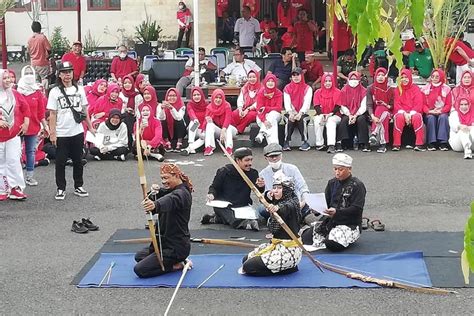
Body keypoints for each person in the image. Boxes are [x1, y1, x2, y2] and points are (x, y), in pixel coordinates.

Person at [134, 163, 193, 278]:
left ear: (176, 176)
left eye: (166, 178)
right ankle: (174, 262)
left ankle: (177, 265)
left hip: (175, 248)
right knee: (139, 256)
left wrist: (155, 205)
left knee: (140, 270)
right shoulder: (172, 190)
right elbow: (164, 195)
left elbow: (171, 199)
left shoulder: (183, 193)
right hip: (164, 245)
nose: (163, 181)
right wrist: (154, 193)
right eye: (162, 178)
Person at [47, 61, 94, 200]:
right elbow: (53, 114)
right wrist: (53, 132)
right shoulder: (54, 91)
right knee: (60, 162)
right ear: (59, 75)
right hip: (62, 132)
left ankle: (78, 186)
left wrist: (90, 127)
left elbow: (84, 110)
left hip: (77, 131)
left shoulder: (79, 89)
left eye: (69, 72)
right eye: (64, 72)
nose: (67, 75)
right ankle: (61, 188)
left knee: (78, 160)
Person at [240, 171, 302, 276]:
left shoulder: (293, 202)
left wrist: (277, 208)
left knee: (248, 266)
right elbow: (266, 197)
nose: (276, 191)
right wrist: (264, 193)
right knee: (245, 259)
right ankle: (278, 267)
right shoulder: (277, 198)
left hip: (289, 250)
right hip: (276, 245)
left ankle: (288, 268)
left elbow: (287, 206)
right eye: (274, 188)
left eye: (279, 188)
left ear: (286, 190)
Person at [302, 153, 366, 251]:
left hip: (349, 224)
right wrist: (316, 209)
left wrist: (337, 212)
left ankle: (340, 237)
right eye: (335, 169)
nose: (337, 172)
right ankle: (327, 234)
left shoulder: (357, 185)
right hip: (330, 221)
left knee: (332, 244)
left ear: (349, 169)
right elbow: (325, 203)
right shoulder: (332, 183)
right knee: (305, 238)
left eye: (341, 169)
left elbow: (357, 209)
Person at [201, 147, 263, 230]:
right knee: (227, 213)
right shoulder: (224, 171)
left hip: (243, 205)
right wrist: (211, 194)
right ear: (238, 160)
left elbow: (259, 191)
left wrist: (261, 186)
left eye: (251, 160)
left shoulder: (253, 173)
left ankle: (217, 219)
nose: (250, 163)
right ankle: (241, 223)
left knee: (256, 216)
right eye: (247, 160)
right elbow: (214, 187)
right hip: (225, 205)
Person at [259, 143, 312, 223]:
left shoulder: (292, 169)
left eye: (277, 155)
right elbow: (264, 196)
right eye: (271, 156)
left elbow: (303, 188)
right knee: (261, 209)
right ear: (266, 158)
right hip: (276, 206)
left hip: (294, 203)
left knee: (310, 203)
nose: (274, 158)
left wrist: (303, 202)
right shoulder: (263, 173)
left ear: (281, 155)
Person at [0, 69, 30, 201]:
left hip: (13, 135)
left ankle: (15, 188)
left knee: (13, 161)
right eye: (5, 78)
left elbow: (26, 108)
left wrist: (26, 124)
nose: (8, 80)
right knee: (1, 163)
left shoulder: (15, 94)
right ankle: (2, 188)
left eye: (9, 78)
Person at [17, 66, 48, 186]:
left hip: (33, 127)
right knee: (16, 153)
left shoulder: (37, 92)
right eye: (27, 73)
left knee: (31, 151)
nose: (29, 75)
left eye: (31, 73)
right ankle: (17, 177)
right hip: (19, 128)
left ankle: (29, 176)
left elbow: (41, 112)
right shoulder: (17, 90)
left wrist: (45, 125)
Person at [392, 69, 425, 151]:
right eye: (402, 77)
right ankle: (396, 144)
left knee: (417, 117)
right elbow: (397, 104)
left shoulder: (416, 88)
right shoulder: (397, 89)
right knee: (399, 117)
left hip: (413, 111)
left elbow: (418, 103)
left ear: (410, 78)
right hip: (401, 112)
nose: (404, 79)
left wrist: (410, 114)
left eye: (406, 77)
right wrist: (404, 114)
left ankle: (419, 144)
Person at [337, 71, 370, 152]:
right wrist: (349, 115)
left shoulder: (364, 91)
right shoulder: (344, 90)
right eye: (351, 79)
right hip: (347, 113)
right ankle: (346, 143)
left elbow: (364, 106)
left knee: (361, 119)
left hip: (360, 113)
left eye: (355, 79)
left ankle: (364, 143)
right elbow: (342, 105)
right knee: (344, 120)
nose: (353, 81)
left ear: (359, 80)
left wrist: (356, 115)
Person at [421, 69, 452, 151]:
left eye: (437, 76)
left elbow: (449, 104)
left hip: (442, 111)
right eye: (433, 76)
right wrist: (429, 111)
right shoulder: (425, 89)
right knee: (431, 118)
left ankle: (443, 142)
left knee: (443, 117)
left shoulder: (447, 89)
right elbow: (423, 104)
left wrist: (441, 111)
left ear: (441, 77)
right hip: (430, 111)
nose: (434, 78)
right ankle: (432, 142)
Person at [282, 67, 312, 151]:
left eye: (298, 75)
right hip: (290, 112)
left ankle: (305, 142)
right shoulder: (287, 88)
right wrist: (291, 112)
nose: (295, 77)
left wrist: (300, 113)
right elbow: (287, 103)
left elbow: (307, 103)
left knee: (302, 119)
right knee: (289, 119)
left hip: (303, 113)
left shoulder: (307, 88)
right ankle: (286, 142)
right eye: (293, 75)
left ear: (302, 76)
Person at [366, 67, 394, 153]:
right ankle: (383, 144)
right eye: (378, 75)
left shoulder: (390, 89)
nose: (381, 77)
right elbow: (369, 105)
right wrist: (373, 116)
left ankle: (374, 133)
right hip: (374, 114)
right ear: (375, 76)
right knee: (381, 111)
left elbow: (392, 106)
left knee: (382, 108)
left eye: (383, 75)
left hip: (389, 112)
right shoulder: (371, 88)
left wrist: (386, 105)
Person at [313, 73, 342, 153]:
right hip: (321, 114)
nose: (328, 83)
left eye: (330, 81)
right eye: (325, 81)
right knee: (318, 120)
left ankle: (331, 145)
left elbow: (338, 106)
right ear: (322, 82)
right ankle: (319, 144)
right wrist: (322, 114)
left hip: (334, 115)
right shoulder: (317, 92)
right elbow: (316, 105)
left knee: (330, 121)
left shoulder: (338, 92)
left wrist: (330, 114)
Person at [202, 89, 237, 156]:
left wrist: (224, 130)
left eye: (220, 98)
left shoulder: (227, 106)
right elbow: (205, 123)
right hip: (219, 131)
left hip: (230, 130)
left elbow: (228, 120)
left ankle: (229, 148)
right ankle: (209, 147)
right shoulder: (209, 107)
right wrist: (210, 120)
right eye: (216, 97)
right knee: (209, 124)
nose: (218, 100)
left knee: (228, 127)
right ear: (213, 98)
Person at [254, 74, 283, 145]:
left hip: (276, 115)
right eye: (268, 81)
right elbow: (259, 110)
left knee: (272, 114)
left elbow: (278, 108)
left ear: (275, 83)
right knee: (272, 124)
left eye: (272, 81)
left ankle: (261, 133)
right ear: (265, 82)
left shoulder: (279, 93)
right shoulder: (261, 93)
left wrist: (266, 108)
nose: (270, 83)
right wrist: (264, 120)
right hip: (262, 118)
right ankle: (274, 146)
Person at [157, 88, 187, 152]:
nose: (172, 98)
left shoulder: (182, 106)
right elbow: (160, 118)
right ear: (167, 97)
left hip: (179, 132)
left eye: (174, 96)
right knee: (162, 121)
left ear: (177, 96)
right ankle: (167, 142)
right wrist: (162, 109)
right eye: (170, 96)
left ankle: (179, 143)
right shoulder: (160, 105)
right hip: (167, 132)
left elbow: (178, 117)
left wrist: (171, 108)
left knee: (179, 120)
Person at [119, 75, 143, 151]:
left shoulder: (138, 95)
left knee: (129, 117)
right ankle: (131, 140)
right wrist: (125, 109)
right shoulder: (121, 94)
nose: (127, 85)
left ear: (132, 83)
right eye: (125, 83)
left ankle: (131, 142)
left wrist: (134, 113)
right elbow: (118, 109)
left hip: (136, 117)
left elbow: (141, 109)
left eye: (129, 83)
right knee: (127, 116)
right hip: (124, 116)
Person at [232, 69, 260, 134]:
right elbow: (240, 99)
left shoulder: (261, 88)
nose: (252, 79)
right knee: (235, 114)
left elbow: (258, 103)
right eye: (250, 77)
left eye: (254, 77)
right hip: (244, 108)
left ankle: (239, 130)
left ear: (257, 78)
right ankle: (232, 129)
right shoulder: (245, 87)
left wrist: (248, 109)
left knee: (249, 116)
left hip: (255, 110)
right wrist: (240, 109)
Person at [181, 87, 207, 156]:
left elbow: (207, 117)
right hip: (192, 130)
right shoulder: (190, 104)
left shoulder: (206, 104)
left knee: (204, 137)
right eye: (194, 95)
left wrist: (203, 129)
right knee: (193, 122)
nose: (196, 97)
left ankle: (189, 148)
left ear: (201, 95)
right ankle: (190, 143)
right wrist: (195, 119)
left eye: (198, 95)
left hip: (203, 129)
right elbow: (191, 112)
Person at [27, 21, 51, 88]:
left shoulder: (30, 39)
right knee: (44, 79)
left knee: (36, 81)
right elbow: (49, 49)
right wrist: (47, 57)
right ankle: (44, 96)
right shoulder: (42, 37)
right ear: (40, 28)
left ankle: (37, 95)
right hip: (42, 62)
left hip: (33, 63)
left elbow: (28, 51)